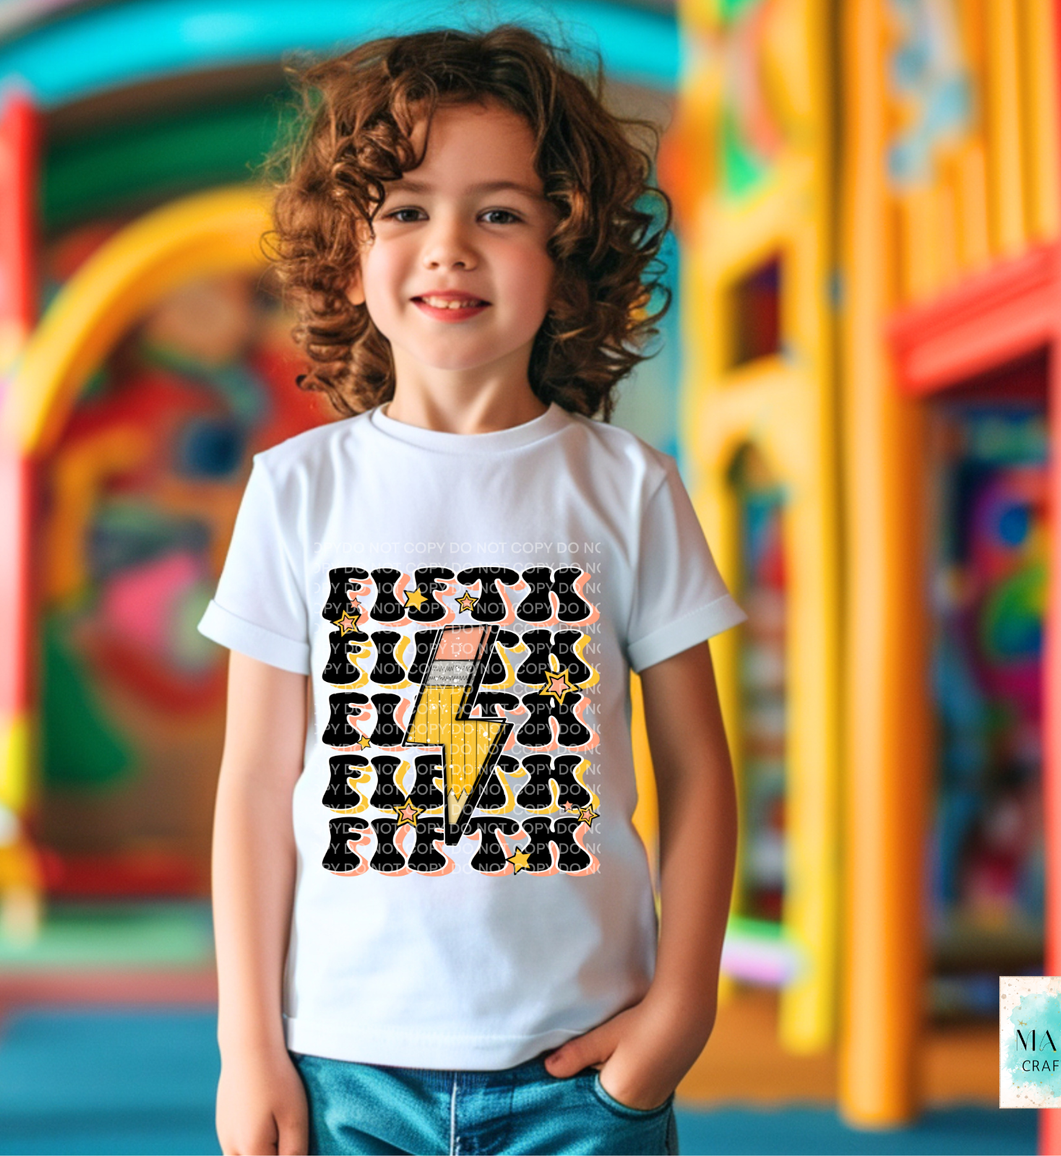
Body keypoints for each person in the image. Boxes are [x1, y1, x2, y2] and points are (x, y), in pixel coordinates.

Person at [204, 25, 746, 1156]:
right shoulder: (294, 491)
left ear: (567, 250)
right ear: (350, 253)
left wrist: (679, 1011)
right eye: (405, 210)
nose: (448, 245)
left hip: (582, 1070)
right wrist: (247, 1044)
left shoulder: (626, 489)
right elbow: (255, 786)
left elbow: (697, 770)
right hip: (342, 1065)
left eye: (496, 212)